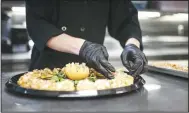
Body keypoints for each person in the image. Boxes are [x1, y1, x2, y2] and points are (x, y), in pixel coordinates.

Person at [25, 0, 148, 79]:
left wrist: (132, 45)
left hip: (95, 74)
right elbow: (38, 25)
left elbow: (126, 20)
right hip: (47, 74)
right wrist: (83, 47)